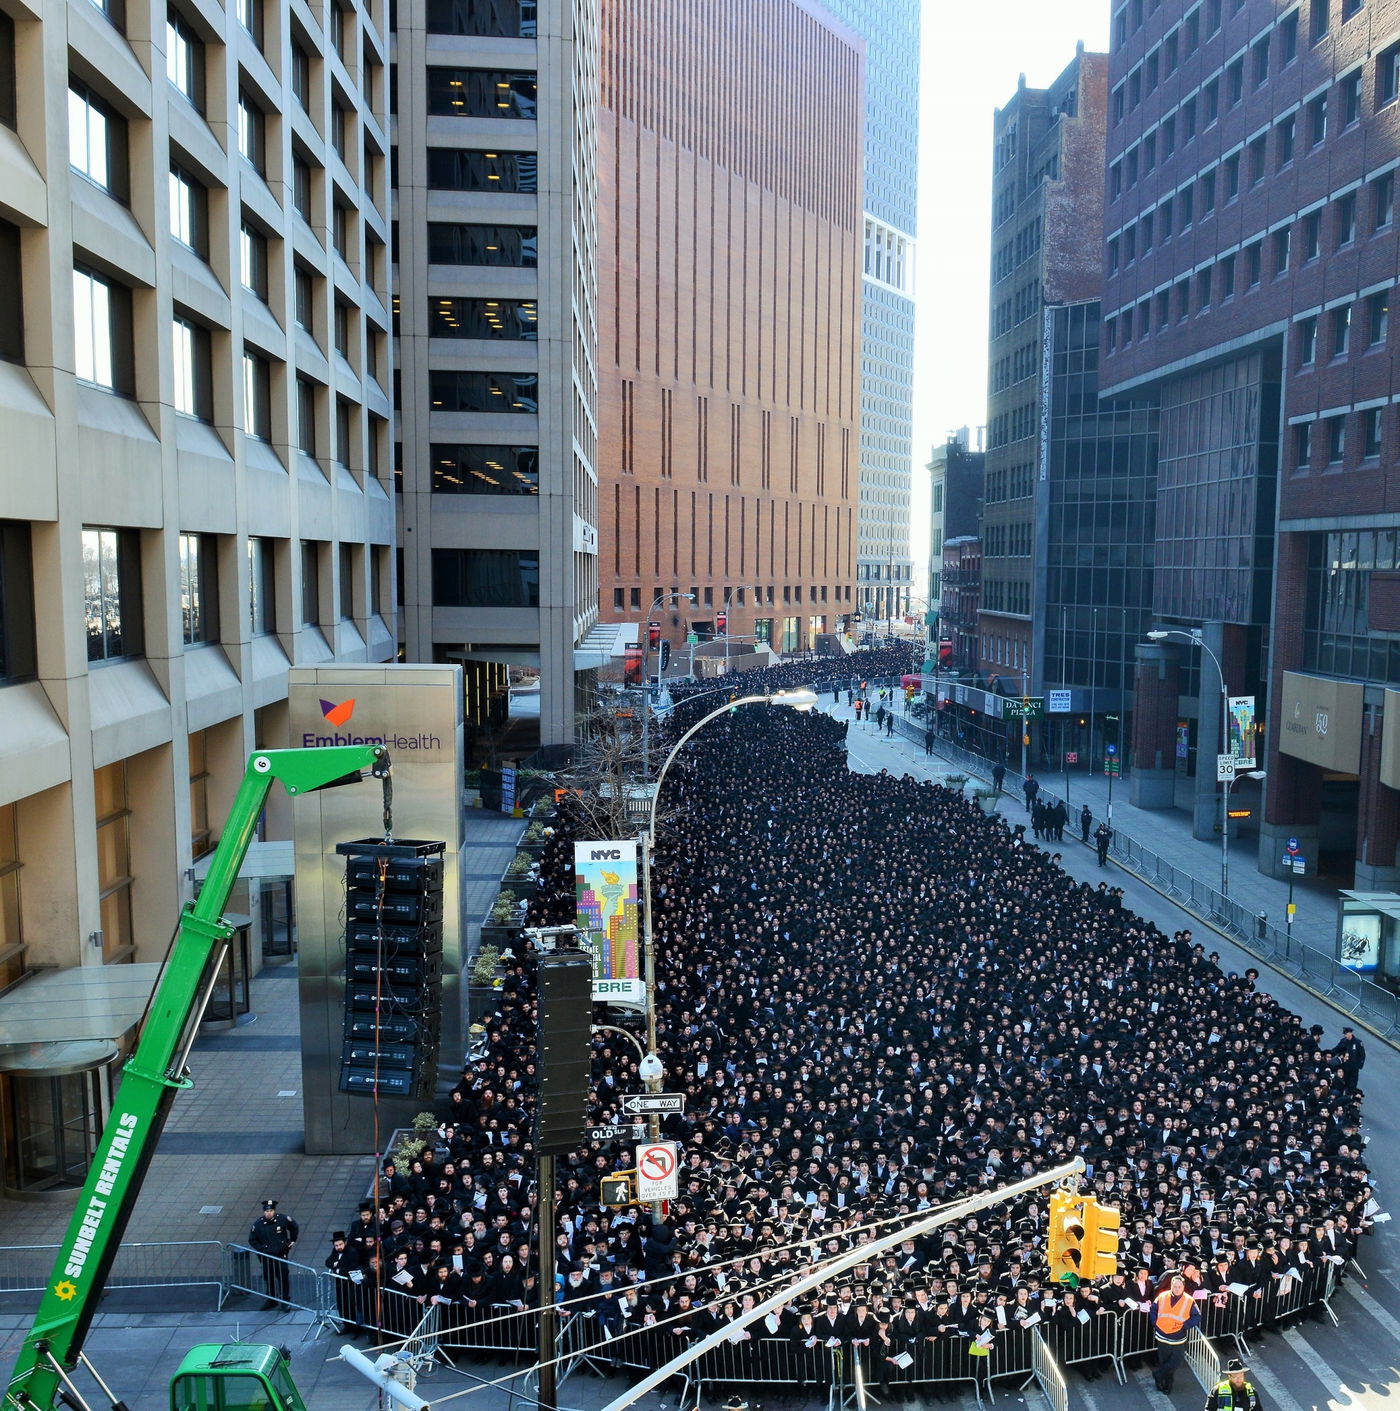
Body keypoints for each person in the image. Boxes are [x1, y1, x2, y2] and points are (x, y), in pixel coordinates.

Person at [1151, 1273, 1198, 1393]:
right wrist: (1155, 1323)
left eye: (1179, 1287)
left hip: (1178, 1336)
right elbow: (1153, 1310)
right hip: (1162, 1335)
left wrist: (1185, 1326)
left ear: (1183, 1287)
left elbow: (1197, 1316)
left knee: (1176, 1360)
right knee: (1165, 1361)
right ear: (1171, 1286)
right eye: (1175, 1286)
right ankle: (1166, 1384)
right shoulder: (1162, 1296)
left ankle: (1158, 1374)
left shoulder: (1189, 1300)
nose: (1177, 1289)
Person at [249, 1198, 299, 1309]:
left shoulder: (283, 1219)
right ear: (264, 1212)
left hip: (281, 1255)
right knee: (268, 1277)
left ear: (274, 1211)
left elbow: (294, 1227)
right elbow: (252, 1240)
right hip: (267, 1257)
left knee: (283, 1277)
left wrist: (292, 1241)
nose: (269, 1213)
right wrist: (262, 1249)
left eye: (271, 1211)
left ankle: (285, 1300)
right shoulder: (258, 1224)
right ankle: (271, 1300)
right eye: (267, 1211)